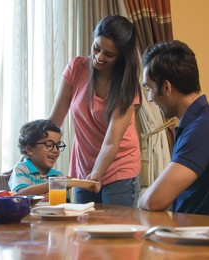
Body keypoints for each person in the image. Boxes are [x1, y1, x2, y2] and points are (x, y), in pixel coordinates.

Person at [139, 40, 209, 218]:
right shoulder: (201, 123)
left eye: (149, 88)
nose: (150, 98)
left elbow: (153, 200)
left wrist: (141, 198)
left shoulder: (204, 129)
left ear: (167, 87)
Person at [47, 15, 142, 206]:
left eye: (109, 54)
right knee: (84, 232)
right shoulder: (77, 68)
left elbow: (111, 142)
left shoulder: (126, 86)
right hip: (84, 170)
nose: (99, 57)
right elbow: (53, 123)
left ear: (122, 56)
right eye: (96, 48)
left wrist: (96, 175)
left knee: (115, 234)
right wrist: (27, 159)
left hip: (119, 170)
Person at [8, 119, 66, 198]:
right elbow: (20, 194)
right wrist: (53, 184)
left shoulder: (58, 175)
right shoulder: (21, 169)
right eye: (49, 145)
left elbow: (64, 201)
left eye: (58, 146)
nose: (56, 150)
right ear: (30, 149)